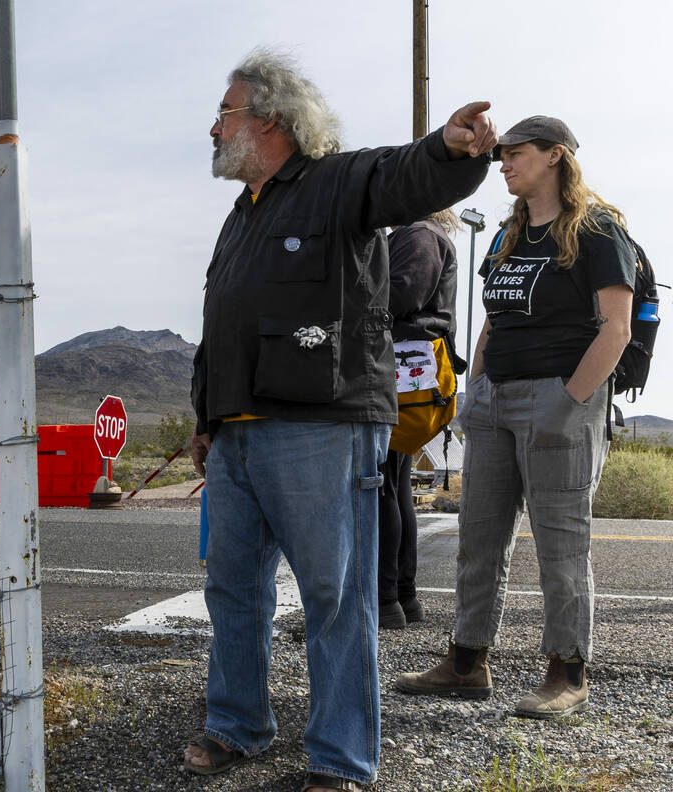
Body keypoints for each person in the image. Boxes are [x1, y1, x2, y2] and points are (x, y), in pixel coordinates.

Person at [184, 48, 493, 791]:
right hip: (236, 433)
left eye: (224, 111)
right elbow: (221, 324)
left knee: (337, 596)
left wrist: (449, 151)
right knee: (231, 589)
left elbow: (404, 176)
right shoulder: (240, 215)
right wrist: (205, 418)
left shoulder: (336, 182)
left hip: (322, 426)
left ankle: (341, 758)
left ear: (270, 120)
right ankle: (239, 724)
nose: (212, 127)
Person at [396, 116, 633, 718]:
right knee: (479, 536)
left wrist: (571, 398)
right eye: (500, 157)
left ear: (554, 156)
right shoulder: (509, 233)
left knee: (561, 543)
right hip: (496, 398)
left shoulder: (597, 230)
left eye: (515, 154)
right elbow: (495, 320)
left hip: (561, 400)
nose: (502, 164)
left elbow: (617, 327)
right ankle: (468, 662)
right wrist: (476, 387)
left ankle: (566, 671)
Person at [378, 211, 462, 630]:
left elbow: (398, 297)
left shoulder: (417, 235)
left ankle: (383, 599)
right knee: (392, 483)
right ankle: (401, 599)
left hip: (395, 376)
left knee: (378, 486)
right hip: (411, 378)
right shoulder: (423, 234)